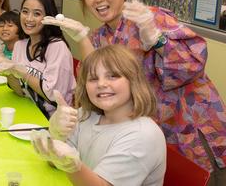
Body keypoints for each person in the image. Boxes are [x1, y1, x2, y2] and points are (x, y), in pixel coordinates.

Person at [43, 0, 226, 183]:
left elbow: (193, 63)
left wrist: (157, 39)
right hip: (146, 134)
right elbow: (94, 85)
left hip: (192, 126)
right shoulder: (99, 37)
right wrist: (82, 40)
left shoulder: (150, 18)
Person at [31, 45, 166, 186]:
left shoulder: (142, 135)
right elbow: (54, 162)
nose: (101, 84)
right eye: (93, 78)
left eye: (113, 76)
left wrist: (72, 166)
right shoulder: (86, 115)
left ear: (133, 81)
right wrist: (56, 134)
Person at [0, 0, 75, 118]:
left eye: (37, 13)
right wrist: (8, 70)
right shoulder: (20, 45)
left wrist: (22, 72)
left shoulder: (57, 47)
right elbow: (20, 91)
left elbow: (54, 95)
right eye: (25, 12)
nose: (29, 18)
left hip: (53, 122)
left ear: (48, 17)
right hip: (27, 112)